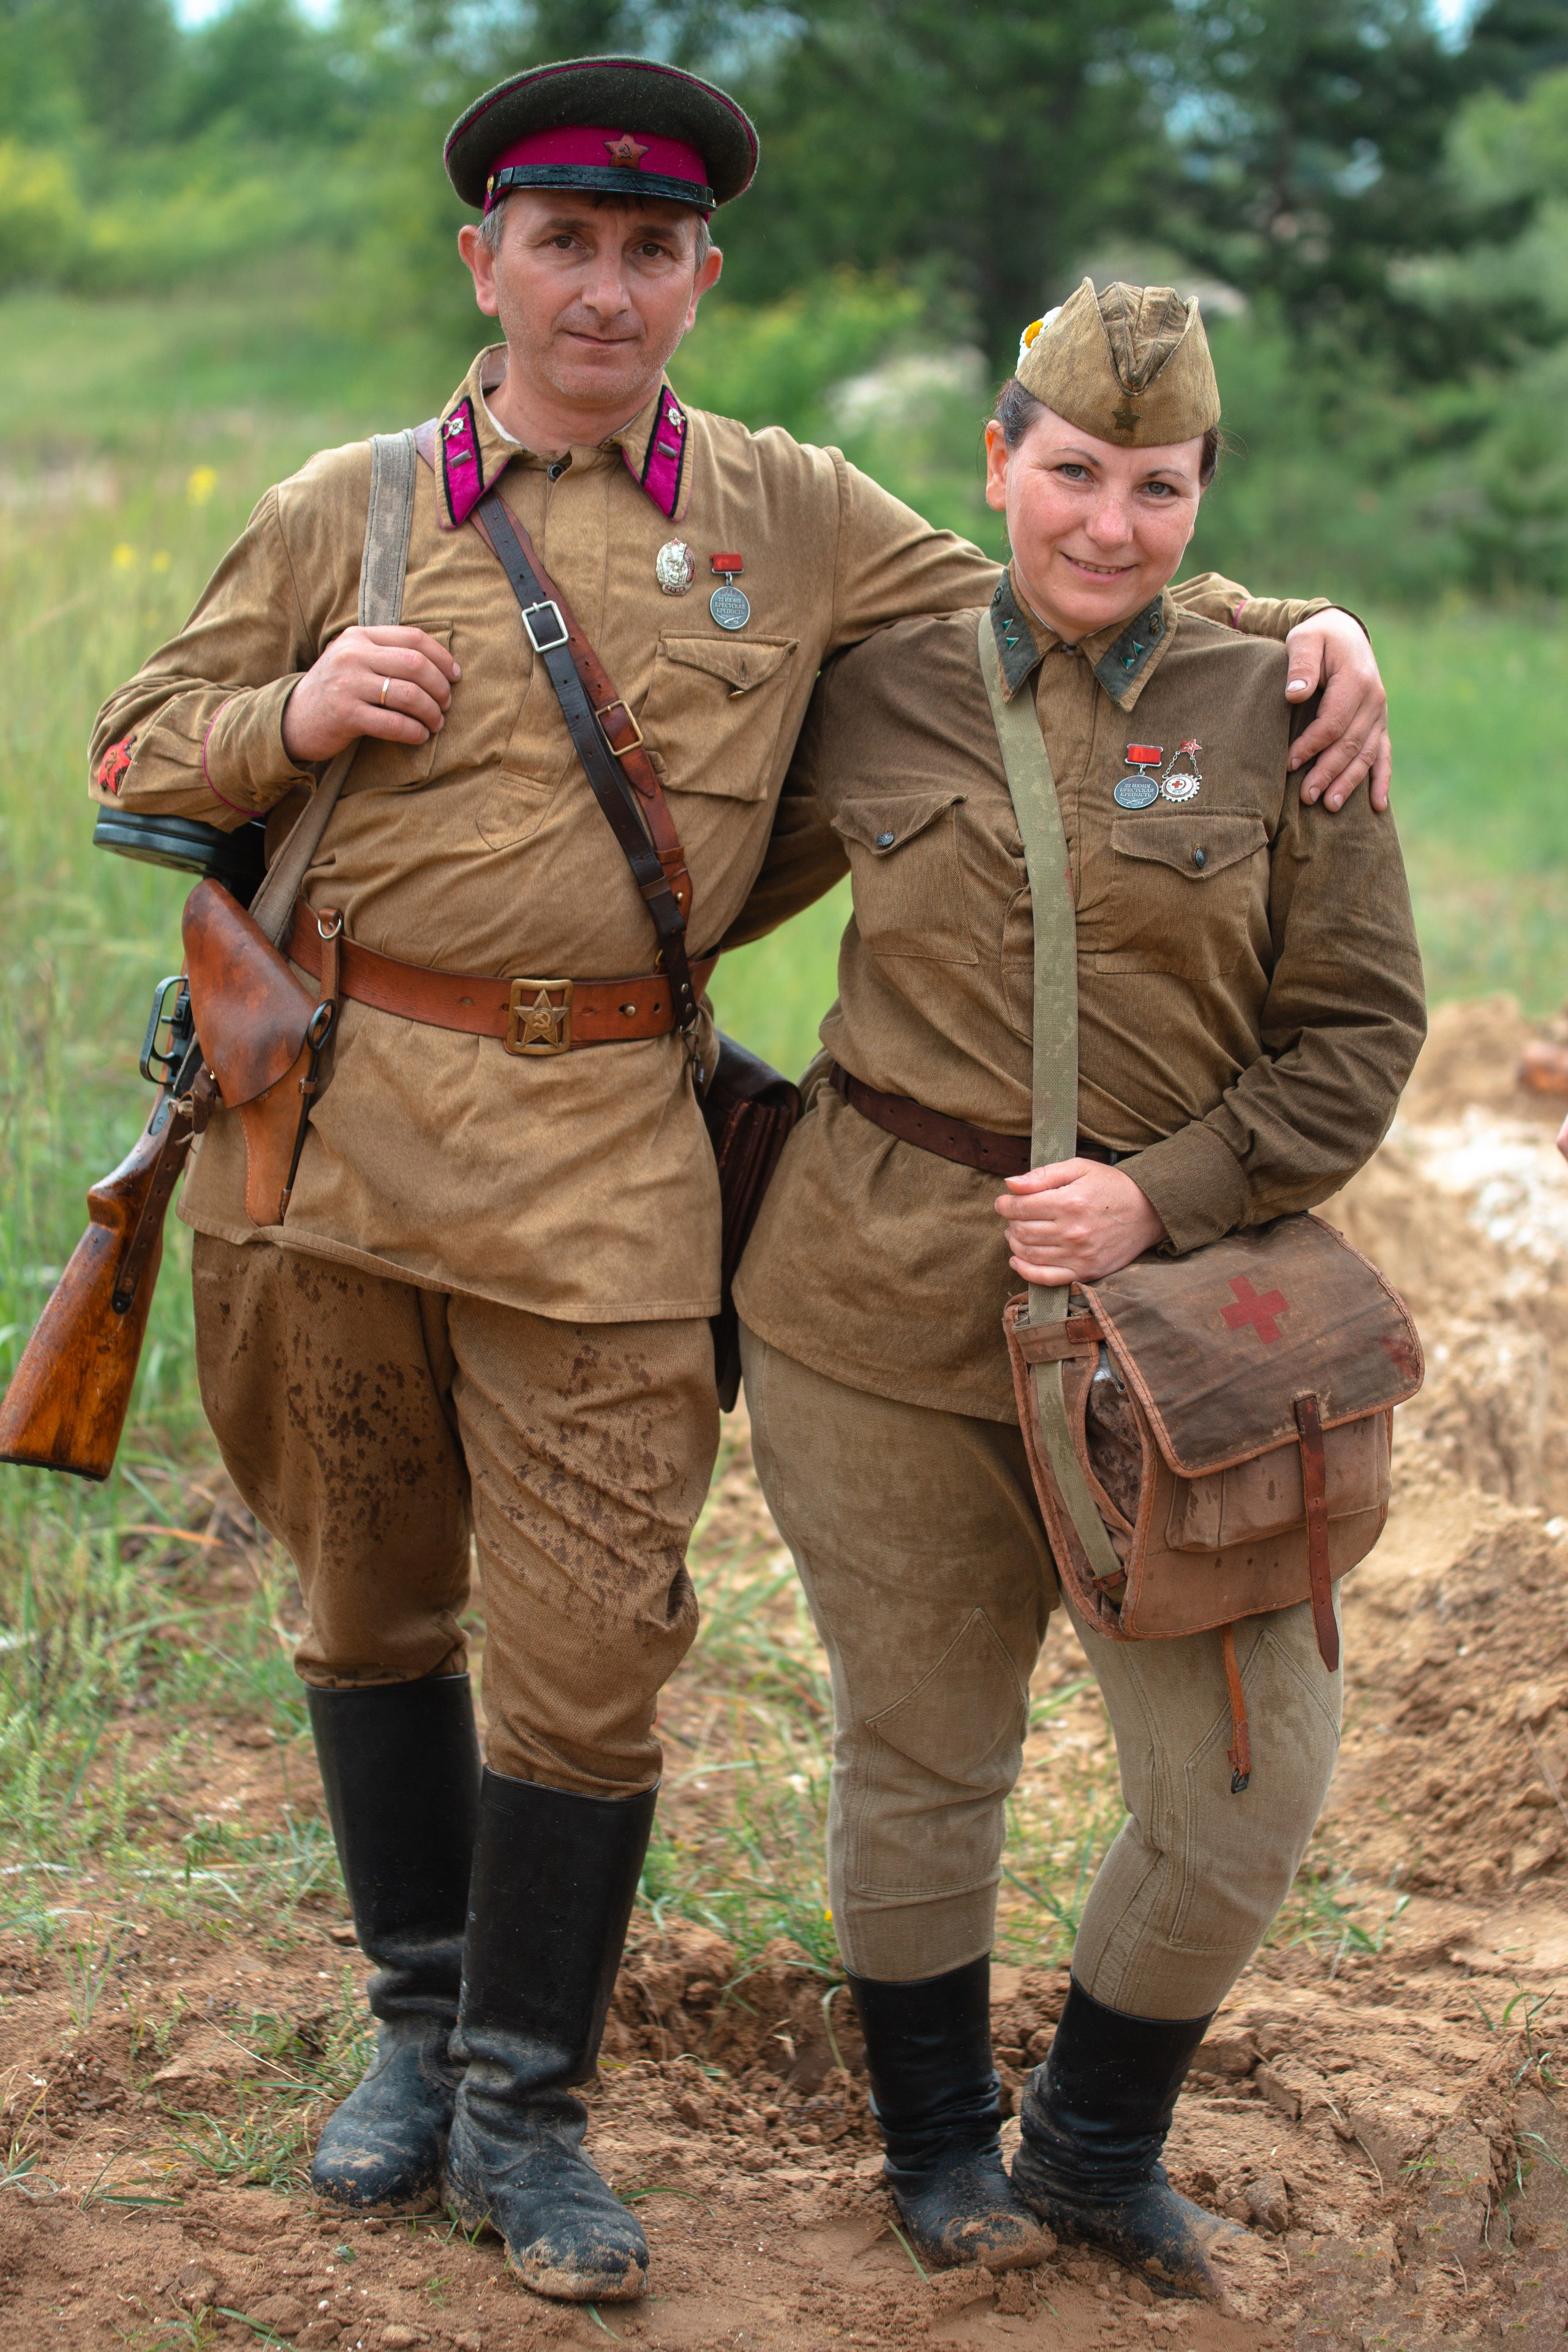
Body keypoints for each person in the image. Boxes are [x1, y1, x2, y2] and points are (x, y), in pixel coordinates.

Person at [89, 45, 1391, 2305]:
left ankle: (530, 2108)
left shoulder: (794, 514)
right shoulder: (354, 500)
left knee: (593, 1650)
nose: (606, 288)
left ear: (702, 276)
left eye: (652, 249)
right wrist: (289, 722)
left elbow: (1067, 578)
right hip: (331, 1147)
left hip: (609, 1158)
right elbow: (133, 750)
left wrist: (1304, 635)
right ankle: (417, 2045)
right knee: (369, 1602)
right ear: (483, 257)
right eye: (564, 242)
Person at [729, 279, 1425, 2300]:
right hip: (869, 1307)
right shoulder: (871, 680)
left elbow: (1360, 1034)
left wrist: (1164, 1195)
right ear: (997, 467)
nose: (1109, 524)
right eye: (1071, 474)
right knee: (922, 1750)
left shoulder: (1287, 697)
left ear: (1206, 493)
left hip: (1171, 1344)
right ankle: (940, 2153)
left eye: (1158, 485)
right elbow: (667, 884)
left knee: (1249, 1775)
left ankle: (1096, 2149)